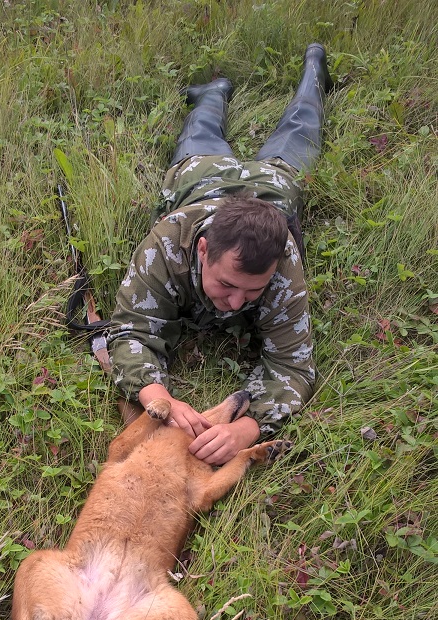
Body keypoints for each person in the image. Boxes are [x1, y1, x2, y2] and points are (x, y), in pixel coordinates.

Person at [106, 44, 332, 465]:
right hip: (202, 174)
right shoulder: (166, 246)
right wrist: (158, 398)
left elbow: (294, 367)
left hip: (272, 185)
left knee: (302, 128)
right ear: (203, 249)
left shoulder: (283, 263)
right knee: (201, 128)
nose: (235, 302)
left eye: (253, 291)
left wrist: (246, 428)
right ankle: (213, 92)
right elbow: (129, 331)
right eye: (227, 284)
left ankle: (315, 66)